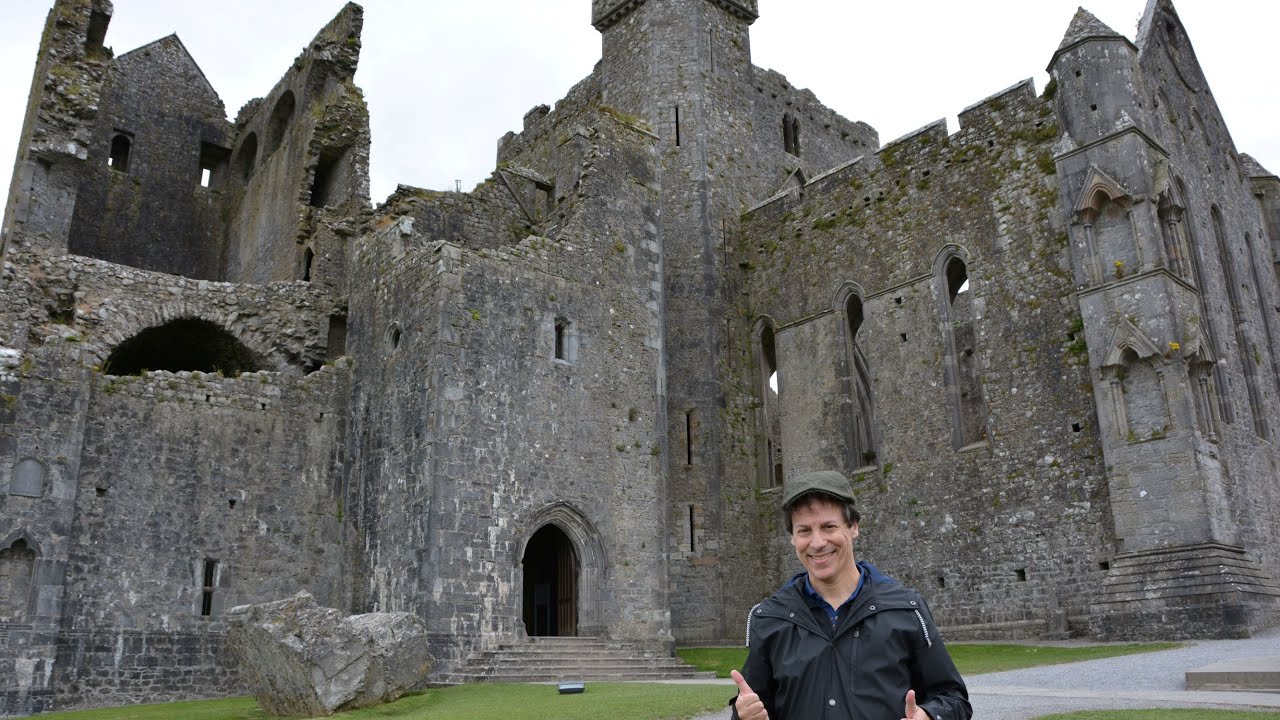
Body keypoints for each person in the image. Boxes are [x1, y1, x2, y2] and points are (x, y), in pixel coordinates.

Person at [729, 470, 971, 720]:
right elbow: (752, 708)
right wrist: (743, 716)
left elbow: (954, 699)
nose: (818, 542)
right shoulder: (770, 618)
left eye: (829, 526)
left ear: (854, 527)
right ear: (792, 538)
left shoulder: (905, 608)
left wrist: (931, 716)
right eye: (804, 531)